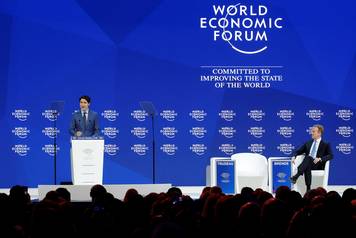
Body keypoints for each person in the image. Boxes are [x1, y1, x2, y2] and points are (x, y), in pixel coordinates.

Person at [290, 124, 333, 191]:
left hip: (318, 164)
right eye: (311, 131)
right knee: (308, 160)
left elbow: (330, 155)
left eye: (313, 131)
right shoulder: (308, 143)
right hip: (307, 164)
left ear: (319, 133)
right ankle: (308, 188)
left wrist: (320, 159)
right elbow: (298, 151)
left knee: (308, 158)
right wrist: (294, 156)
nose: (311, 133)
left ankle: (296, 176)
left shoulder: (325, 144)